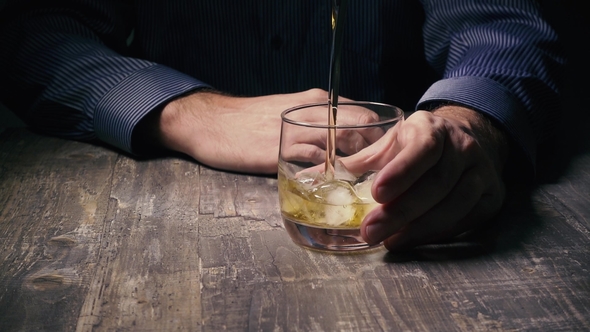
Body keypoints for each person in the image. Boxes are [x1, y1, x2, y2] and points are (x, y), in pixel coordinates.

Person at [0, 1, 564, 252]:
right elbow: (38, 33)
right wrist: (189, 112)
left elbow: (502, 28)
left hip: (399, 209)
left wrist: (468, 124)